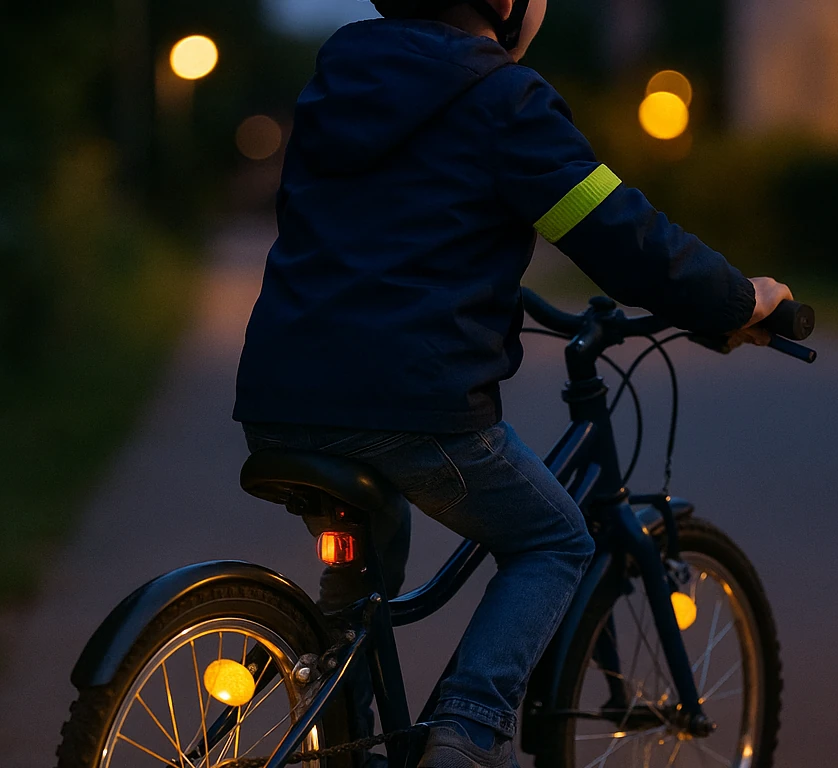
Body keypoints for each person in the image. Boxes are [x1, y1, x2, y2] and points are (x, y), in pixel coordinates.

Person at [234, 1, 793, 765]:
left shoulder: (342, 74)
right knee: (556, 540)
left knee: (368, 573)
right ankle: (465, 735)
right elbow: (618, 232)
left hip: (279, 394)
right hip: (412, 407)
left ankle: (335, 741)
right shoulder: (503, 98)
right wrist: (738, 299)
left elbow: (356, 223)